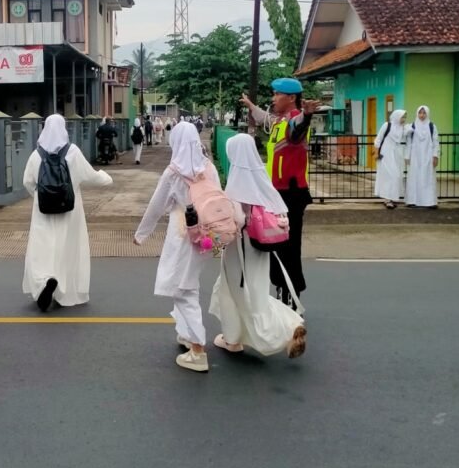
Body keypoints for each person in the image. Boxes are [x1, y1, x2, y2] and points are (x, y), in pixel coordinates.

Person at [133, 121, 222, 373]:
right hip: (206, 235)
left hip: (182, 235)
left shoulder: (174, 171)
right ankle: (186, 333)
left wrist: (141, 234)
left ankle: (198, 350)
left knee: (183, 290)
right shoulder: (209, 168)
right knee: (189, 283)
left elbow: (157, 206)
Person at [209, 134, 307, 360]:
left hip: (239, 251)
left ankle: (235, 339)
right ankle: (290, 325)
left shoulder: (237, 184)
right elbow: (281, 215)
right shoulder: (262, 179)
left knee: (235, 293)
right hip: (261, 249)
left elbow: (235, 221)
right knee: (257, 292)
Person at [240, 79, 320, 307]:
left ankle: (292, 297)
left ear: (291, 97)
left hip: (291, 195)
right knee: (276, 246)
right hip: (277, 195)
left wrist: (307, 115)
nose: (273, 98)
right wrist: (251, 106)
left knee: (289, 248)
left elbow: (297, 128)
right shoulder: (280, 121)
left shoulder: (294, 120)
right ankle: (282, 292)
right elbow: (265, 118)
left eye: (277, 94)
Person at [23, 114, 113, 311]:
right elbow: (91, 177)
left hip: (43, 210)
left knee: (41, 248)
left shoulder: (36, 155)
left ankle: (44, 282)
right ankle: (64, 291)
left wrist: (40, 196)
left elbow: (27, 182)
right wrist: (106, 177)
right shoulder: (73, 152)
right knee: (67, 248)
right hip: (69, 209)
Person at [405, 106, 439, 208]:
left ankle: (430, 202)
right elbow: (409, 142)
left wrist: (435, 156)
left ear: (427, 114)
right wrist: (407, 156)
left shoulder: (432, 126)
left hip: (428, 156)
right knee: (414, 178)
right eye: (420, 113)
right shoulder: (412, 126)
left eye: (424, 113)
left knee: (428, 178)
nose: (422, 115)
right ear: (417, 114)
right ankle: (412, 201)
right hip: (415, 156)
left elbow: (435, 142)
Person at [373, 109, 408, 209]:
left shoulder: (403, 128)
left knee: (397, 176)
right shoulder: (387, 125)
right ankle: (387, 199)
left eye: (405, 117)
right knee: (389, 176)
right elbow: (378, 139)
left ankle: (392, 198)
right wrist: (376, 153)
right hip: (386, 154)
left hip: (397, 155)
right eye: (402, 117)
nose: (403, 119)